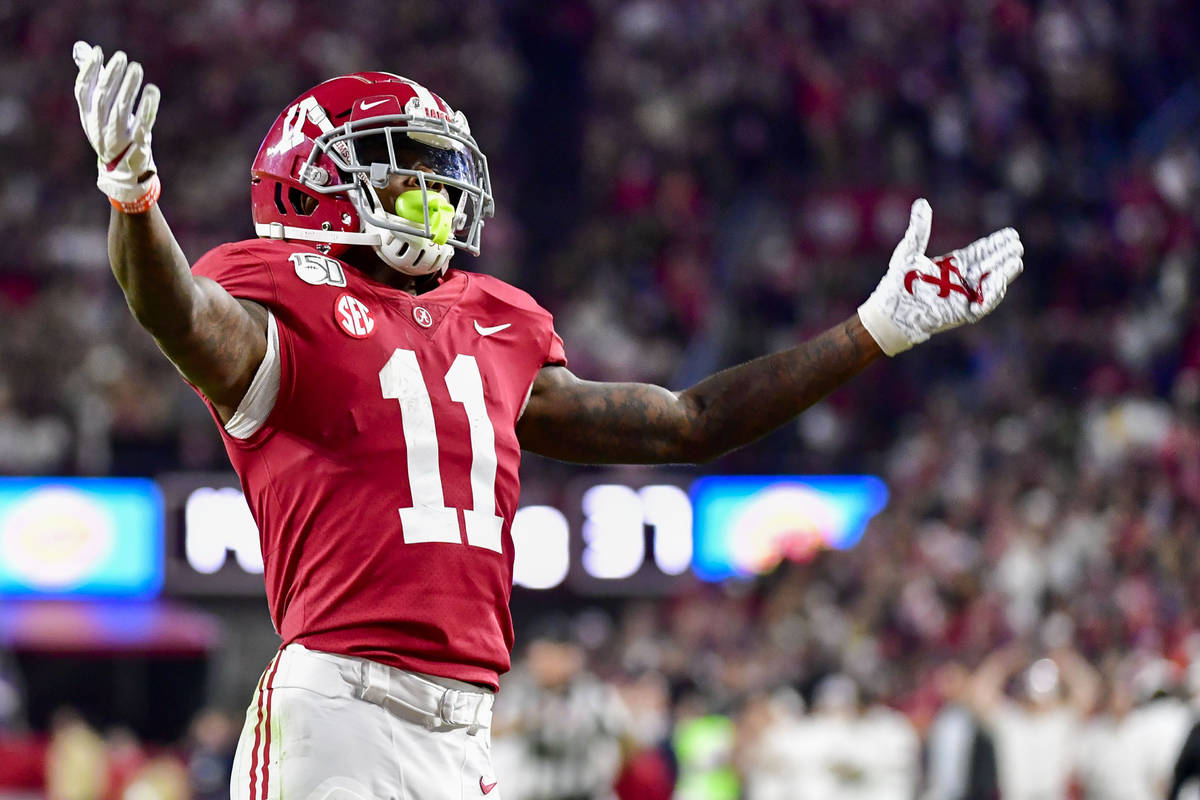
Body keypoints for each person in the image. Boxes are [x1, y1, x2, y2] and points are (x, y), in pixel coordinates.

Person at [70, 41, 1023, 800]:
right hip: (340, 713)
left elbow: (682, 424)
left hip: (468, 722)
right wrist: (134, 199)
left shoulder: (495, 321)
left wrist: (872, 331)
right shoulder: (283, 298)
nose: (435, 201)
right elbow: (178, 312)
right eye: (405, 177)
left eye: (443, 179)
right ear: (314, 185)